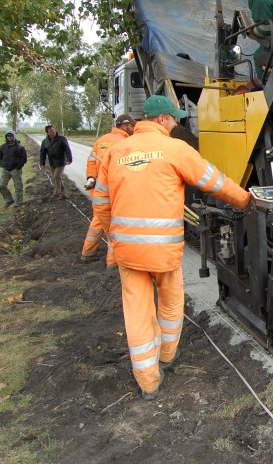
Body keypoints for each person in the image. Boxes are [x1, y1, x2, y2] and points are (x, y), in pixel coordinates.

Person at [92, 95, 252, 401]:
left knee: (137, 312)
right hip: (164, 251)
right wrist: (245, 199)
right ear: (162, 119)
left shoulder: (115, 151)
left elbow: (100, 201)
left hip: (128, 251)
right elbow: (213, 181)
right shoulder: (175, 149)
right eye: (174, 118)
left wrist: (115, 238)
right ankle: (167, 356)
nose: (177, 123)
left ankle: (148, 383)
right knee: (169, 302)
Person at [80, 114, 136, 265]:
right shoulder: (126, 142)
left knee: (98, 221)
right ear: (124, 126)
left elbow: (91, 161)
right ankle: (113, 265)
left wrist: (91, 178)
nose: (134, 128)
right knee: (114, 231)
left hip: (99, 192)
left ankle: (87, 253)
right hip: (114, 193)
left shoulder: (101, 140)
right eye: (132, 126)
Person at [39, 124, 73, 199]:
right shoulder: (45, 141)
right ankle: (63, 194)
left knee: (56, 176)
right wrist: (42, 163)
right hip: (52, 162)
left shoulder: (61, 138)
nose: (53, 131)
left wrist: (69, 159)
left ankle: (57, 193)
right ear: (47, 133)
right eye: (51, 131)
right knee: (56, 178)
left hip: (61, 161)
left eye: (53, 130)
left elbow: (67, 149)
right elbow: (42, 153)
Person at [0, 130, 27, 207]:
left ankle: (18, 203)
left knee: (18, 187)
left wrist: (18, 167)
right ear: (6, 137)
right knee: (1, 185)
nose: (9, 137)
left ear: (14, 136)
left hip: (15, 169)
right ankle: (9, 200)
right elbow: (0, 157)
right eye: (8, 136)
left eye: (11, 136)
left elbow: (24, 158)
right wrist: (2, 164)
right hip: (5, 169)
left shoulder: (20, 147)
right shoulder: (3, 146)